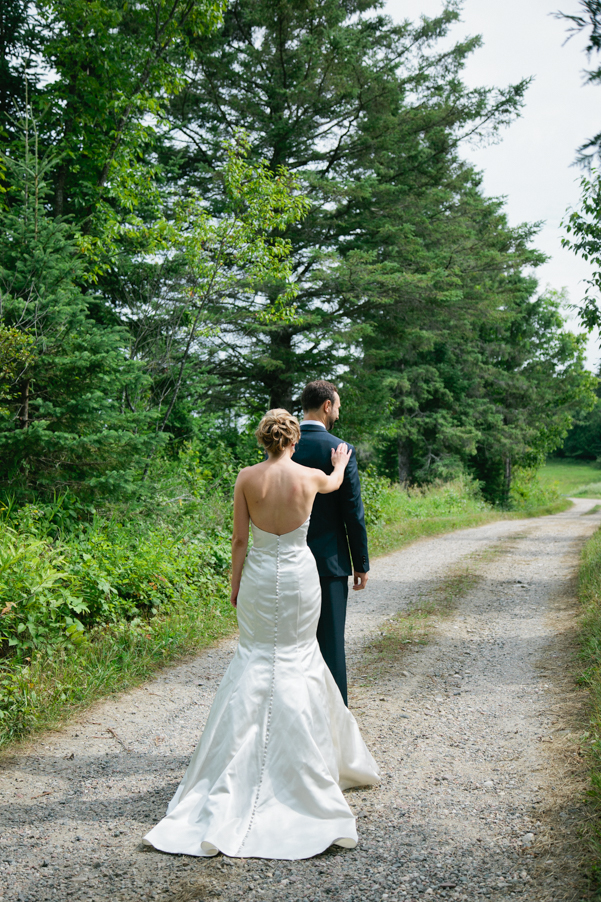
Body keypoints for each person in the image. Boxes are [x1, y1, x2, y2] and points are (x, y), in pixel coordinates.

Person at [143, 409, 378, 860]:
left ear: (263, 440)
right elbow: (335, 484)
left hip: (257, 577)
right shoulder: (311, 476)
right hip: (298, 577)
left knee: (254, 658)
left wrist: (235, 585)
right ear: (292, 441)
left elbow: (238, 542)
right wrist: (342, 464)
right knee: (298, 656)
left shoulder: (246, 478)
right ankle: (307, 765)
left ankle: (233, 762)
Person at [292, 381, 369, 705]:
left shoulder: (283, 447)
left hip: (288, 561)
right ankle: (336, 725)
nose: (338, 412)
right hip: (330, 564)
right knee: (331, 646)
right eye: (337, 406)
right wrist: (360, 563)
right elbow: (353, 512)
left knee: (292, 647)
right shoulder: (339, 450)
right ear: (326, 406)